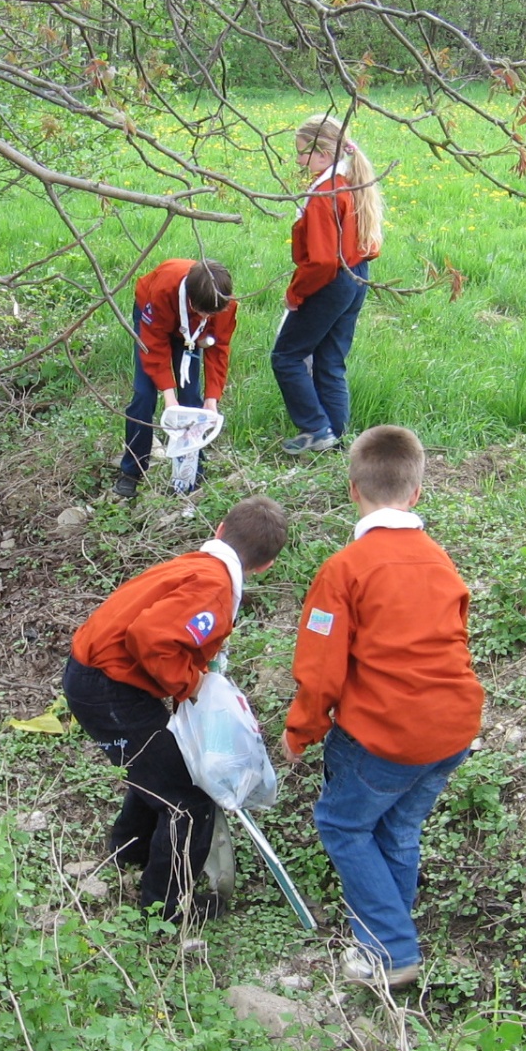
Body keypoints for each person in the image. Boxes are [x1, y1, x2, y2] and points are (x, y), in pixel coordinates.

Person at [282, 426, 483, 986]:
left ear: (353, 490)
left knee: (343, 825)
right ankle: (384, 946)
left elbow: (321, 671)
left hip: (389, 735)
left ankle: (392, 951)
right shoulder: (440, 562)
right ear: (416, 493)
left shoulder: (345, 570)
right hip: (454, 729)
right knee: (396, 830)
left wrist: (300, 731)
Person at [63, 495, 288, 922]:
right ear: (266, 566)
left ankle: (128, 853)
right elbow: (150, 638)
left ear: (221, 528)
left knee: (160, 768)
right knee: (189, 800)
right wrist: (191, 684)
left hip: (98, 676)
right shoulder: (214, 589)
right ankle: (164, 909)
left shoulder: (197, 566)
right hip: (108, 688)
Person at [272, 113, 384, 455]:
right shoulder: (351, 180)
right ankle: (336, 437)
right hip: (356, 275)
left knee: (287, 356)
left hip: (331, 281)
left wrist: (296, 292)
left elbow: (321, 259)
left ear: (322, 153)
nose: (298, 160)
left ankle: (316, 428)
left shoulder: (324, 193)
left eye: (301, 152)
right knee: (331, 360)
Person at [115, 259, 237, 499]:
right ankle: (132, 470)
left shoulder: (222, 304)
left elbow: (218, 348)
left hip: (191, 331)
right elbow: (154, 347)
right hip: (154, 318)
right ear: (192, 302)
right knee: (144, 394)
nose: (211, 316)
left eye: (214, 313)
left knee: (191, 397)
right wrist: (169, 397)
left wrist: (212, 398)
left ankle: (192, 471)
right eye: (205, 313)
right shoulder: (163, 290)